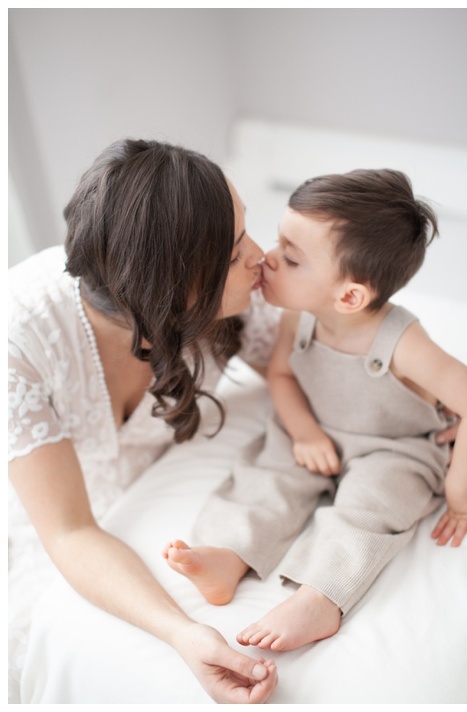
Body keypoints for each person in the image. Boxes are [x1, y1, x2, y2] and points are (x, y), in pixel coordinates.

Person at [8, 138, 280, 704]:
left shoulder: (232, 307)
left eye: (245, 231)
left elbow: (328, 359)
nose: (261, 256)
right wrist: (183, 633)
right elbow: (68, 530)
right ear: (170, 291)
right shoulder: (21, 340)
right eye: (233, 255)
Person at [163, 168, 467, 653]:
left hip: (393, 447)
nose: (266, 258)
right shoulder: (298, 315)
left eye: (289, 257)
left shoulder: (404, 343)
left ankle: (319, 596)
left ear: (349, 296)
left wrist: (459, 493)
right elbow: (283, 376)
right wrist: (304, 432)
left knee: (370, 508)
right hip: (317, 427)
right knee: (268, 473)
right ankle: (229, 553)